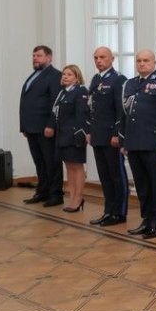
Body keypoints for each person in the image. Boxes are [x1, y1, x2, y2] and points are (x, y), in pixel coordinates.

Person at [119, 49, 156, 239]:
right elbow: (125, 115)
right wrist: (124, 141)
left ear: (154, 62)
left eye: (145, 61)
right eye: (139, 61)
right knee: (142, 185)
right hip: (134, 142)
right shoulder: (131, 84)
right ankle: (146, 220)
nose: (141, 64)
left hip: (153, 143)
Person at [88, 47, 129, 226]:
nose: (99, 60)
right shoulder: (96, 79)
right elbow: (91, 108)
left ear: (112, 59)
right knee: (104, 176)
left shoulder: (119, 79)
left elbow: (121, 111)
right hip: (98, 136)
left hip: (111, 137)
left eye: (102, 57)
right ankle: (108, 210)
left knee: (116, 175)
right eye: (96, 57)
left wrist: (117, 135)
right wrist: (89, 131)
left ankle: (119, 213)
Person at [20, 45, 63, 206]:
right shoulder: (34, 75)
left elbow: (55, 103)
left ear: (49, 57)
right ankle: (42, 192)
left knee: (51, 162)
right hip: (31, 128)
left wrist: (51, 125)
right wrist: (24, 126)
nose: (35, 58)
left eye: (39, 55)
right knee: (40, 162)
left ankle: (56, 195)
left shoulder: (54, 76)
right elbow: (27, 102)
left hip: (46, 128)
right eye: (33, 56)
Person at [45, 65, 90, 212]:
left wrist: (80, 135)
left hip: (74, 134)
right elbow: (55, 112)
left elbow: (81, 115)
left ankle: (78, 198)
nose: (65, 77)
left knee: (77, 167)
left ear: (76, 78)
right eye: (64, 74)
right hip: (62, 135)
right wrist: (50, 126)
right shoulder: (62, 93)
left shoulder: (80, 91)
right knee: (68, 167)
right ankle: (72, 197)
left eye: (69, 74)